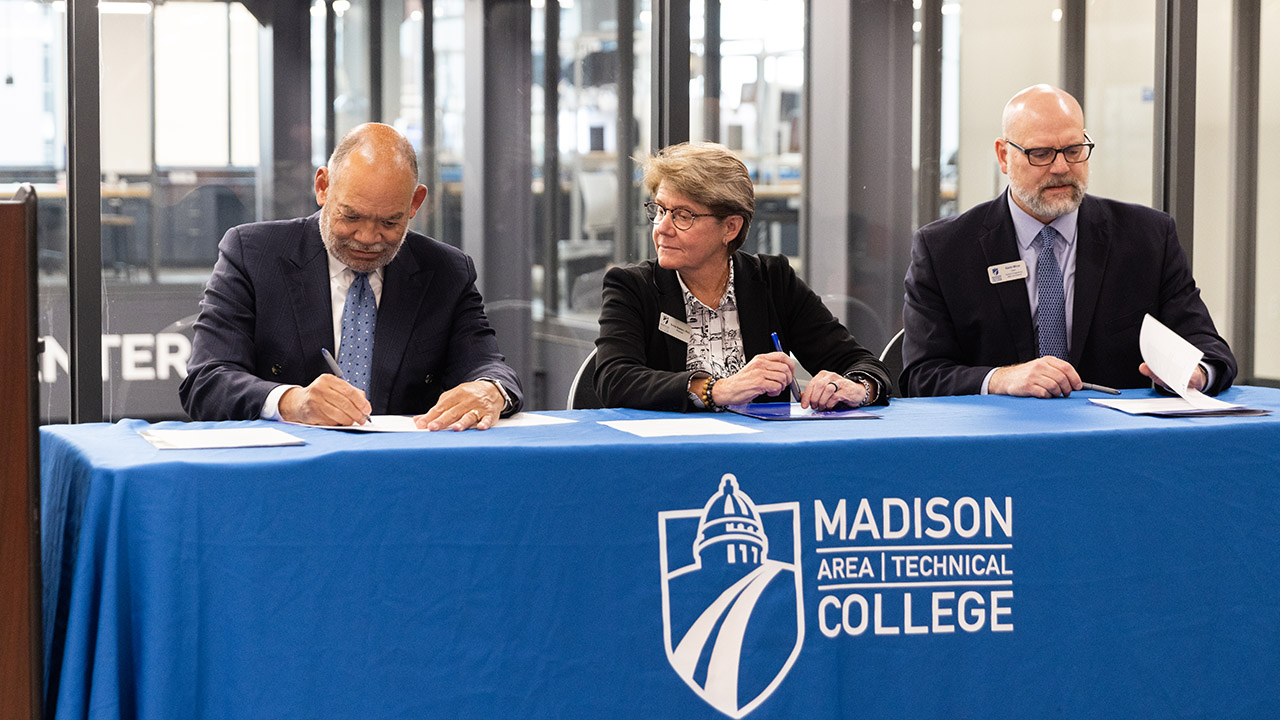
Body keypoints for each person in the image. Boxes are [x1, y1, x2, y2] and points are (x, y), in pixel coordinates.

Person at [901, 84, 1236, 398]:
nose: (1061, 167)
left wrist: (1197, 373)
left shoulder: (1147, 238)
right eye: (1041, 154)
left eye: (1074, 150)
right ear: (1004, 156)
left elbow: (1209, 348)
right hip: (997, 444)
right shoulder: (945, 250)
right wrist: (1001, 379)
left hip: (1116, 442)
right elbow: (922, 374)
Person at [180, 122, 522, 429]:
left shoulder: (446, 271)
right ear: (323, 186)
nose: (368, 238)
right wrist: (291, 402)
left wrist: (490, 391)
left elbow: (489, 367)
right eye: (351, 216)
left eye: (390, 222)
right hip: (285, 473)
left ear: (415, 203)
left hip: (406, 473)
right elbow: (206, 382)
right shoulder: (253, 254)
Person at [594, 142, 890, 412]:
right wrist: (718, 389)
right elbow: (615, 379)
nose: (662, 227)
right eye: (659, 210)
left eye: (683, 215)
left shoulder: (773, 281)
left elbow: (862, 365)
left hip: (759, 458)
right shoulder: (632, 286)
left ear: (730, 228)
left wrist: (857, 388)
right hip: (670, 455)